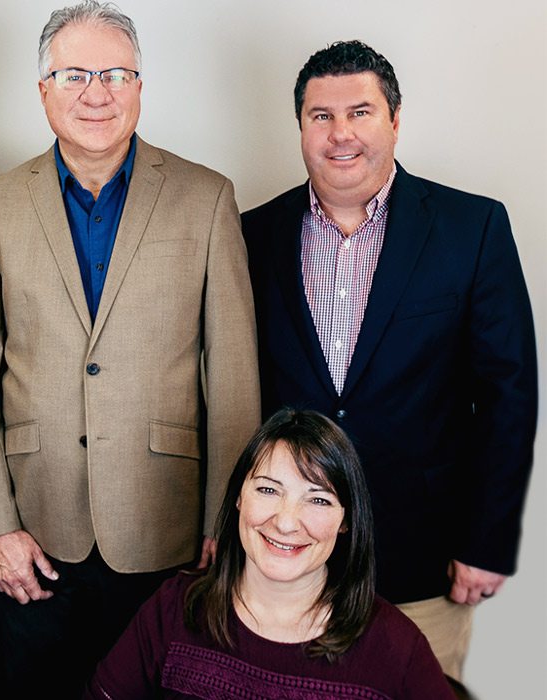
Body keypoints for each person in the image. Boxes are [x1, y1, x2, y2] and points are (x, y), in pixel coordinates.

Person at [0, 2, 260, 694]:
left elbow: (232, 377)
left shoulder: (205, 198)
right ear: (43, 91)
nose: (97, 93)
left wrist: (226, 521)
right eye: (74, 75)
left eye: (116, 73)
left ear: (141, 86)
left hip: (169, 529)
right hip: (34, 532)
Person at [242, 40, 537, 683]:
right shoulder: (251, 235)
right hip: (285, 562)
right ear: (300, 128)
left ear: (395, 120)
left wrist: (486, 542)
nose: (341, 133)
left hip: (423, 559)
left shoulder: (472, 227)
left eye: (361, 112)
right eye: (321, 116)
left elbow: (509, 394)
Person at [86, 409, 456, 699]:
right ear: (238, 497)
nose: (286, 522)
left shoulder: (395, 646)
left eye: (317, 499)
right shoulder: (173, 609)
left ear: (346, 521)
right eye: (267, 490)